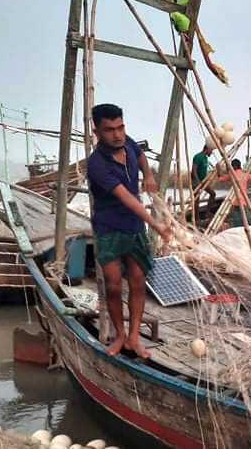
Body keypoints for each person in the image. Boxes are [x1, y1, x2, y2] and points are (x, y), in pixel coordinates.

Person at [87, 103, 172, 359]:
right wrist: (156, 223)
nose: (117, 134)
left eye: (121, 127)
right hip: (110, 229)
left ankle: (134, 337)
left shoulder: (128, 142)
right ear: (97, 132)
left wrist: (147, 175)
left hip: (134, 228)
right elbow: (127, 198)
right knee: (113, 286)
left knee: (137, 282)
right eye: (110, 130)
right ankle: (120, 335)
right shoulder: (97, 164)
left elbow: (141, 154)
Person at [218, 159, 251, 228]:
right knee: (247, 218)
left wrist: (218, 170)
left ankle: (238, 229)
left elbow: (220, 179)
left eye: (232, 166)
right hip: (243, 200)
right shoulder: (245, 175)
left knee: (237, 220)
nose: (231, 167)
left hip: (234, 200)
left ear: (235, 166)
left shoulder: (232, 174)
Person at [190, 145, 216, 215]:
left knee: (213, 194)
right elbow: (194, 170)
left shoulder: (205, 158)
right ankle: (196, 218)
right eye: (211, 151)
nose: (211, 153)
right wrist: (198, 182)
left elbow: (204, 170)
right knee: (197, 199)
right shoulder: (198, 157)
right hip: (196, 181)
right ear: (207, 149)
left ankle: (207, 212)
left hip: (203, 181)